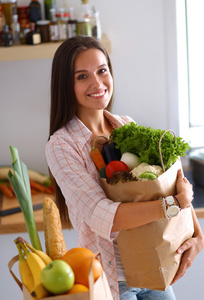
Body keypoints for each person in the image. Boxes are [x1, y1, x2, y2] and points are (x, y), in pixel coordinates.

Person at [45, 36, 204, 300]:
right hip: (111, 279)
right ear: (65, 84)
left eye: (102, 70)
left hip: (154, 265)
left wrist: (198, 236)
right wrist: (172, 204)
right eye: (82, 76)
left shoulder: (125, 125)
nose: (97, 83)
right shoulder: (61, 145)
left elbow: (172, 181)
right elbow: (100, 215)